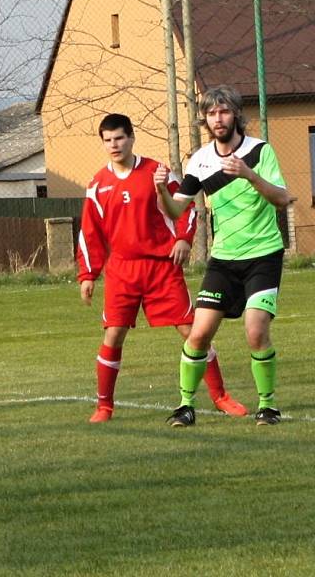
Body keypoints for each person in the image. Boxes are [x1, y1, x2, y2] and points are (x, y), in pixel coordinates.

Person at [78, 113, 247, 423]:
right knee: (113, 335)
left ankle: (221, 396)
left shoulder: (157, 172)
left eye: (119, 138)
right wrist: (88, 274)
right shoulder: (97, 185)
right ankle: (104, 406)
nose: (114, 145)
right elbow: (90, 232)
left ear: (131, 138)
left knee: (192, 332)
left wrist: (183, 238)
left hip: (162, 268)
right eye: (108, 140)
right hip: (122, 271)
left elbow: (186, 207)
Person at [155, 86, 291, 427]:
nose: (218, 119)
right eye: (212, 113)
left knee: (255, 330)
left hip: (263, 255)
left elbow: (282, 198)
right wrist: (160, 188)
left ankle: (268, 406)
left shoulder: (259, 151)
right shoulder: (200, 159)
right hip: (223, 259)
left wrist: (247, 173)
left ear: (236, 115)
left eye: (224, 111)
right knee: (199, 334)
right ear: (206, 119)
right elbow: (176, 208)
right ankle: (186, 406)